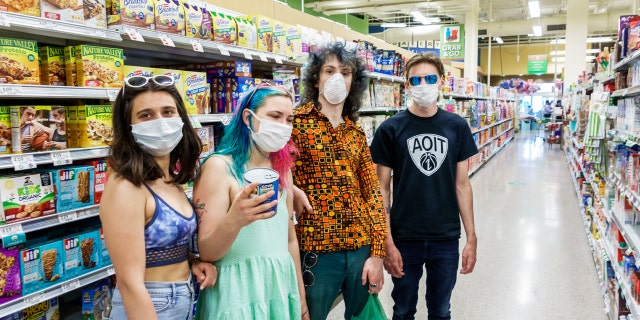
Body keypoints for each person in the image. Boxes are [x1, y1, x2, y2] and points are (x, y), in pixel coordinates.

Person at [369, 53, 478, 320]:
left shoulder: (457, 126)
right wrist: (387, 242)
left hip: (446, 236)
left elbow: (462, 184)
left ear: (441, 81)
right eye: (415, 80)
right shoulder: (389, 129)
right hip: (405, 236)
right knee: (403, 309)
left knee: (441, 310)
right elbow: (381, 189)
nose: (423, 84)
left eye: (430, 78)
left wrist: (471, 238)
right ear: (406, 85)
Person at [99, 75, 217, 319]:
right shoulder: (126, 186)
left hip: (180, 297)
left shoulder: (168, 181)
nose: (160, 122)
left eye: (167, 112)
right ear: (128, 127)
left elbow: (160, 247)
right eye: (146, 115)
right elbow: (130, 283)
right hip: (148, 304)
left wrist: (191, 263)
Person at [193, 82, 308, 319]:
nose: (283, 126)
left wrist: (301, 301)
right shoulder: (218, 168)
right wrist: (235, 220)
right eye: (275, 116)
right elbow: (207, 252)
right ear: (248, 118)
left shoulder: (282, 170)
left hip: (279, 286)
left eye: (289, 120)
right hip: (237, 292)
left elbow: (289, 240)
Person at [291, 41, 387, 319]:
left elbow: (372, 194)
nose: (336, 78)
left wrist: (377, 253)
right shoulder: (295, 123)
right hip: (316, 248)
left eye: (344, 72)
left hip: (360, 247)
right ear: (316, 79)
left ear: (353, 81)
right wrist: (291, 187)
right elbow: (275, 172)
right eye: (328, 71)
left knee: (361, 314)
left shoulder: (355, 132)